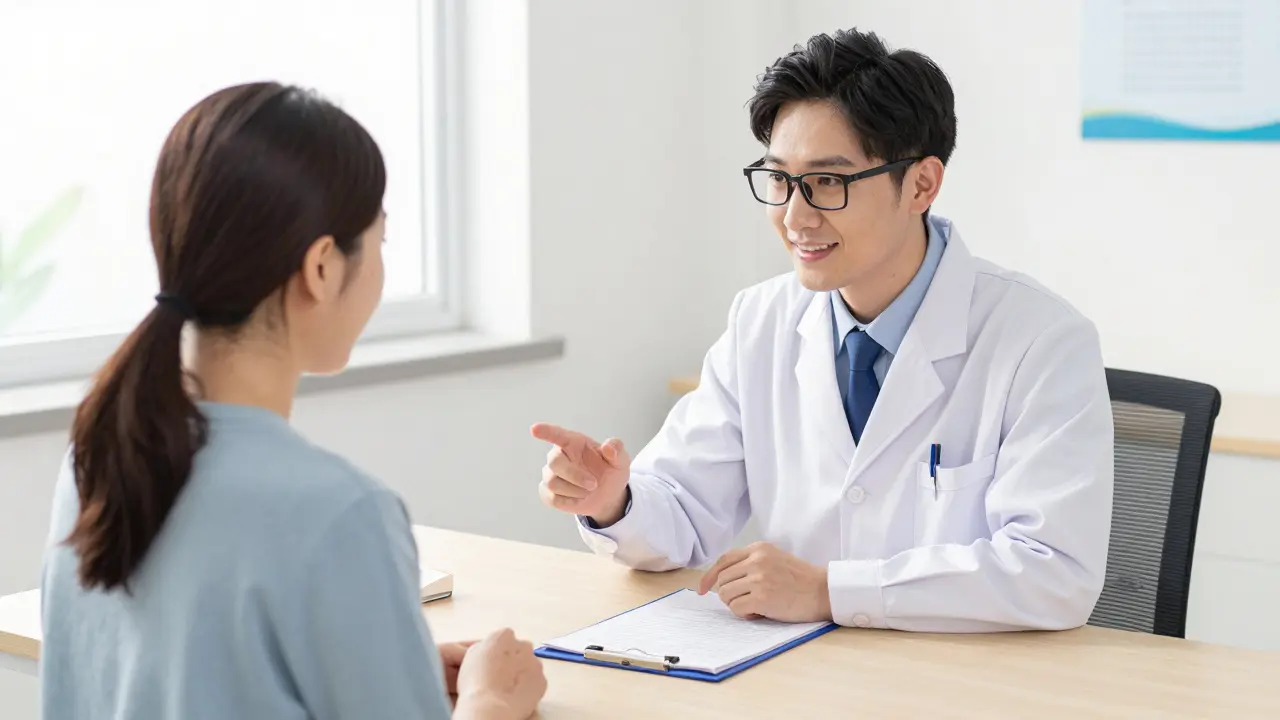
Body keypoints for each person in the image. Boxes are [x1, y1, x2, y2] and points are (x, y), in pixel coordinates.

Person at [532, 28, 1114, 633]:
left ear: (921, 184)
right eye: (779, 179)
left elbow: (1053, 573)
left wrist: (829, 591)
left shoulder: (1041, 340)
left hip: (964, 671)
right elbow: (684, 510)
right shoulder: (760, 322)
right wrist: (614, 501)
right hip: (800, 665)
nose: (794, 216)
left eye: (828, 182)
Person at [40, 82, 545, 720]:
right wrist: (489, 700)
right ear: (322, 268)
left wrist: (391, 662)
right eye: (380, 241)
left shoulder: (96, 460)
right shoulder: (340, 513)